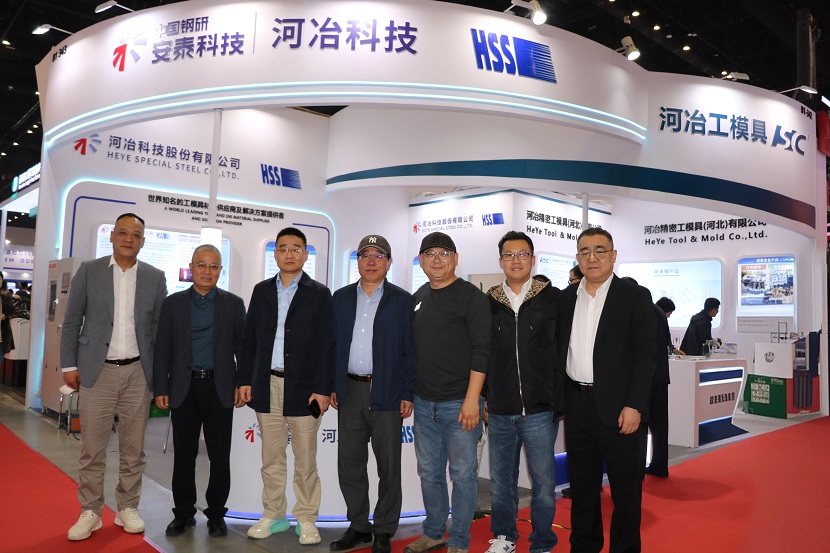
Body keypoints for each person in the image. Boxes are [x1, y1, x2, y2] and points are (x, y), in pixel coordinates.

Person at [61, 213, 167, 541]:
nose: (128, 239)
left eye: (136, 234)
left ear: (143, 241)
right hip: (98, 371)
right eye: (123, 233)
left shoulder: (155, 277)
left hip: (138, 373)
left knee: (133, 449)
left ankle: (127, 507)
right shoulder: (89, 271)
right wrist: (68, 365)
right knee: (92, 448)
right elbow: (72, 320)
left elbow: (159, 331)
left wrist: (159, 377)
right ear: (112, 236)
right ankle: (91, 510)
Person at [558, 227, 656, 553]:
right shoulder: (565, 298)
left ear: (613, 256)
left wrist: (635, 404)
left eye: (600, 250)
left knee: (625, 492)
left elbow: (646, 356)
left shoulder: (634, 297)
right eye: (585, 251)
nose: (592, 257)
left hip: (620, 409)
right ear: (577, 257)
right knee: (582, 488)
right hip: (577, 406)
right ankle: (584, 546)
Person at [238, 227, 332, 545]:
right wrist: (245, 379)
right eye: (283, 248)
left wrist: (322, 388)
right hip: (267, 385)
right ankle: (274, 515)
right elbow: (249, 341)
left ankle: (306, 518)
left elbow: (325, 346)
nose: (289, 254)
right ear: (275, 254)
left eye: (296, 248)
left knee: (305, 460)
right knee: (272, 457)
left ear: (305, 254)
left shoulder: (319, 293)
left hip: (305, 389)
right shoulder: (262, 291)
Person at [153, 244, 247, 537]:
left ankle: (216, 514)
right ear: (191, 267)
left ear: (220, 270)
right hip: (184, 387)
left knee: (220, 457)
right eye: (202, 265)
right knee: (184, 456)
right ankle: (183, 513)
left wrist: (241, 383)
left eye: (214, 266)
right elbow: (162, 348)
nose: (208, 271)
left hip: (220, 389)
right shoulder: (173, 304)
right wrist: (161, 386)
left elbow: (242, 349)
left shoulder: (234, 304)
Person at [405, 232, 491, 553]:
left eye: (444, 253)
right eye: (430, 254)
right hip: (424, 403)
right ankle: (433, 531)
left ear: (456, 259)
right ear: (421, 261)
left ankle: (459, 539)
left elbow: (482, 351)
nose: (437, 259)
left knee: (463, 475)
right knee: (429, 473)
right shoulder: (418, 297)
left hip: (460, 403)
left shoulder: (472, 298)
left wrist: (472, 399)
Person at [329, 235, 414, 553]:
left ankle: (384, 529)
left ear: (389, 262)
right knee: (349, 463)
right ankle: (359, 526)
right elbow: (332, 346)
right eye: (365, 255)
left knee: (388, 466)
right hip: (350, 391)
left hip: (387, 392)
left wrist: (408, 391)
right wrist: (333, 385)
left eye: (379, 256)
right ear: (358, 261)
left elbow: (410, 350)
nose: (371, 261)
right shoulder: (340, 298)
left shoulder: (402, 300)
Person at [484, 231, 560, 553]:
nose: (516, 260)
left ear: (533, 259)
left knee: (543, 483)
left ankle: (542, 541)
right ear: (500, 261)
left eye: (522, 254)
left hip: (540, 409)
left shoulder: (552, 298)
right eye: (509, 255)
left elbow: (561, 349)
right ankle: (504, 538)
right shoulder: (488, 302)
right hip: (500, 408)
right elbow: (481, 353)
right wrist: (484, 396)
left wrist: (558, 396)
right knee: (501, 483)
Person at [646, 296, 675, 478]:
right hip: (660, 376)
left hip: (647, 378)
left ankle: (638, 470)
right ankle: (659, 465)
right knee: (660, 426)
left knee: (641, 426)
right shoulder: (658, 313)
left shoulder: (644, 311)